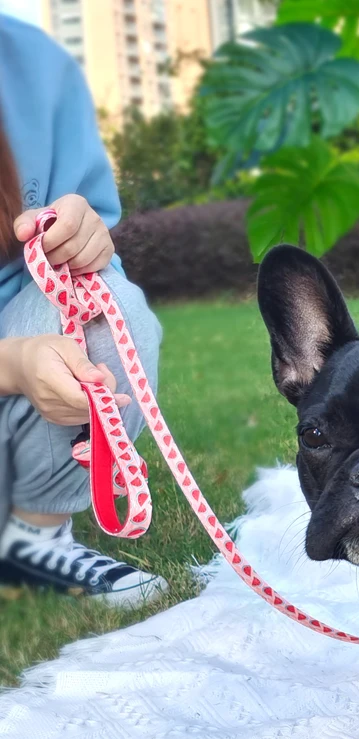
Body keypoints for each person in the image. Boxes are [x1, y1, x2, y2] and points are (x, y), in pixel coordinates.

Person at [0, 13, 166, 606]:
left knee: (108, 311)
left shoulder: (31, 65)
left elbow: (98, 263)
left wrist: (85, 240)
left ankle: (34, 539)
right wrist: (13, 364)